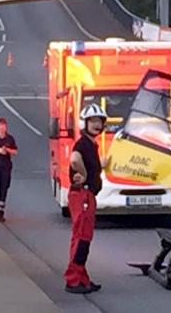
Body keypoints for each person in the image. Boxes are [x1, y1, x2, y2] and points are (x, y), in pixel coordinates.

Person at [64, 103, 108, 294]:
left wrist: (100, 166)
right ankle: (73, 279)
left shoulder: (90, 144)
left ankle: (82, 277)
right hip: (83, 195)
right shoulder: (83, 143)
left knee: (84, 237)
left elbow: (90, 165)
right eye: (93, 121)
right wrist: (83, 173)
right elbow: (74, 159)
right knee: (82, 237)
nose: (97, 125)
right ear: (85, 123)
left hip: (87, 195)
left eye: (100, 121)